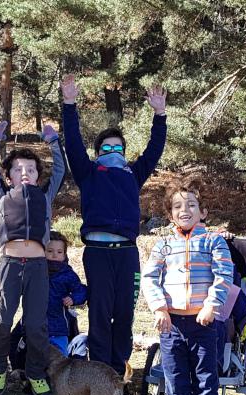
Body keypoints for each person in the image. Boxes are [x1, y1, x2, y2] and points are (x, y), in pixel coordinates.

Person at [60, 74, 167, 378]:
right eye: (106, 149)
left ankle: (117, 377)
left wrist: (159, 115)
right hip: (98, 253)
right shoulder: (88, 173)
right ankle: (98, 376)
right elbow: (74, 145)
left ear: (124, 152)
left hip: (127, 254)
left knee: (124, 315)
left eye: (117, 148)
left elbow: (154, 150)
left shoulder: (133, 174)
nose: (112, 153)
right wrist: (70, 104)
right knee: (100, 314)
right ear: (97, 154)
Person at [141, 182, 234, 395]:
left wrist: (210, 305)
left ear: (202, 211)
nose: (185, 210)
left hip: (204, 324)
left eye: (192, 205)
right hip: (171, 326)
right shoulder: (163, 245)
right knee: (176, 385)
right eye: (178, 206)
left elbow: (223, 276)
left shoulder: (214, 242)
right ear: (170, 215)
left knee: (207, 382)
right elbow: (149, 279)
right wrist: (159, 308)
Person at [0, 121, 66, 395]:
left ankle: (35, 373)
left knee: (35, 326)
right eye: (18, 169)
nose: (25, 172)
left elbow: (61, 170)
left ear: (37, 174)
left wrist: (52, 140)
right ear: (9, 174)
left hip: (38, 267)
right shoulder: (2, 195)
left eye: (30, 168)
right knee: (1, 322)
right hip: (9, 265)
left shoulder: (44, 196)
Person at [45, 231, 88, 355]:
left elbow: (81, 290)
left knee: (60, 357)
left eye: (59, 252)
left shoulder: (67, 274)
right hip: (36, 326)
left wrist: (73, 298)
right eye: (50, 251)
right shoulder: (36, 271)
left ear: (64, 254)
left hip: (59, 326)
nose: (54, 255)